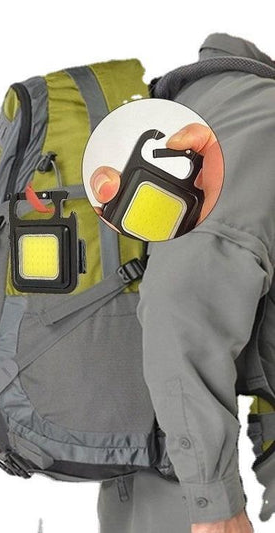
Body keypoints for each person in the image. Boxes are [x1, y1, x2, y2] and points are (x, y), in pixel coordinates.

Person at [91, 33, 275, 533]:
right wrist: (216, 504)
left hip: (169, 462)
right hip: (190, 489)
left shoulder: (227, 109)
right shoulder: (258, 120)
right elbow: (182, 302)